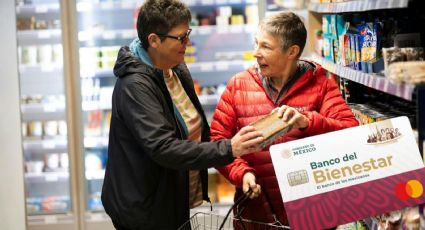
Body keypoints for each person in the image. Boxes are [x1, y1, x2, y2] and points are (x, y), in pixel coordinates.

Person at [101, 1, 264, 229]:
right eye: (180, 37)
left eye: (187, 33)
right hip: (145, 210)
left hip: (172, 197)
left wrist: (239, 167)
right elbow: (164, 147)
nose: (188, 42)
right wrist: (229, 148)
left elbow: (194, 131)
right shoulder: (134, 86)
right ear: (154, 40)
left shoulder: (174, 67)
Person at [210, 12, 359, 227]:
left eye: (266, 47)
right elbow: (217, 141)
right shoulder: (238, 86)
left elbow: (351, 133)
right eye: (256, 44)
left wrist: (307, 122)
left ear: (292, 51)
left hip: (312, 214)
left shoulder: (321, 86)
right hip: (256, 215)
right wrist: (241, 174)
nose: (255, 53)